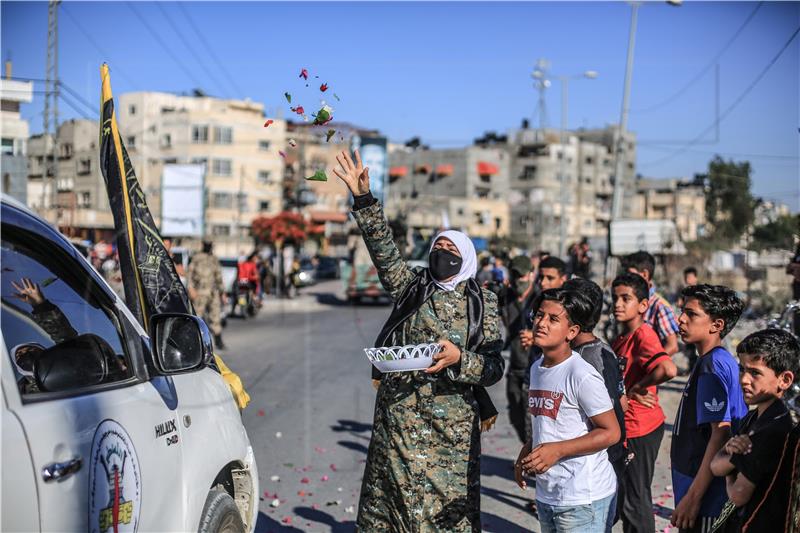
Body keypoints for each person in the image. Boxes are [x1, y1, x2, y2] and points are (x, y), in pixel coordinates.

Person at [332, 149, 505, 531]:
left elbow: (493, 366)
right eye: (437, 249)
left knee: (442, 519)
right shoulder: (412, 288)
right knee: (391, 511)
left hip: (451, 435)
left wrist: (461, 358)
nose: (442, 255)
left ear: (468, 259)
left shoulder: (482, 304)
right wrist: (363, 198)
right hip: (398, 421)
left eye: (451, 251)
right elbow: (384, 251)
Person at [514, 288, 621, 533]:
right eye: (539, 315)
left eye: (553, 319)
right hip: (549, 494)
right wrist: (526, 452)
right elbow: (549, 424)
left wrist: (558, 450)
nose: (541, 323)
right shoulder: (536, 368)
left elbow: (611, 432)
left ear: (571, 332)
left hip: (583, 499)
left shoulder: (581, 374)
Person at [670, 284, 747, 532]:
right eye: (683, 311)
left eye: (691, 314)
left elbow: (721, 433)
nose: (681, 319)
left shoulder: (712, 367)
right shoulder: (714, 360)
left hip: (707, 500)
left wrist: (693, 498)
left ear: (717, 325)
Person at [710, 329, 800, 532]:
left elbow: (737, 495)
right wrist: (733, 456)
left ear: (784, 380)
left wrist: (730, 470)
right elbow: (715, 466)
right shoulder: (754, 417)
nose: (743, 379)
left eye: (755, 372)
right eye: (742, 369)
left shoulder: (774, 430)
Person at [611, 272, 678, 533]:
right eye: (615, 298)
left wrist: (637, 387)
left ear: (642, 305)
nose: (618, 304)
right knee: (627, 498)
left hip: (640, 426)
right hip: (628, 426)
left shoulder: (643, 335)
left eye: (626, 298)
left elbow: (668, 369)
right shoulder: (622, 338)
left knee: (635, 501)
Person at [564, 279, 628, 497]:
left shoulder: (580, 361)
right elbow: (622, 403)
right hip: (609, 457)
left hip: (591, 465)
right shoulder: (603, 350)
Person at [504, 254, 537, 443]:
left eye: (522, 275)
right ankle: (527, 452)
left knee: (530, 419)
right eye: (515, 275)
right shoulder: (507, 297)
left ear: (531, 275)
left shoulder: (540, 298)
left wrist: (535, 336)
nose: (519, 280)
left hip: (533, 367)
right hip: (515, 366)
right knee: (515, 416)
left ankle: (530, 462)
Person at [623, 251, 680, 356]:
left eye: (631, 274)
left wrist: (651, 365)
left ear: (645, 274)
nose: (627, 279)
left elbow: (672, 346)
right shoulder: (631, 302)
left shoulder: (660, 306)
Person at [187, 240, 227, 350]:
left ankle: (218, 341)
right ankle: (193, 343)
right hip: (200, 291)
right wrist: (190, 288)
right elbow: (189, 274)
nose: (209, 247)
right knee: (197, 317)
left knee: (215, 317)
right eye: (207, 245)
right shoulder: (196, 258)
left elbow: (218, 276)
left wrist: (222, 292)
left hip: (213, 292)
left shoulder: (214, 259)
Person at [680, 267, 700, 373]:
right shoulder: (685, 293)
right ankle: (692, 369)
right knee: (690, 348)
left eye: (690, 277)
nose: (688, 279)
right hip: (688, 324)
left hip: (696, 324)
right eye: (686, 277)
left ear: (695, 278)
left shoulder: (700, 292)